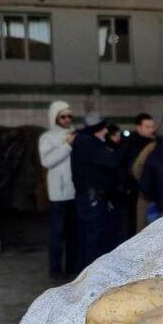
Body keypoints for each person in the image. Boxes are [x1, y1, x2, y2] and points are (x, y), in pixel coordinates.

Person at [70, 112, 121, 268]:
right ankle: (92, 273)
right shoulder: (89, 144)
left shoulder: (84, 142)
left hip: (88, 197)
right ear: (96, 129)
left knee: (88, 236)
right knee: (94, 238)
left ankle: (85, 271)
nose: (106, 131)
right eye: (103, 128)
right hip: (93, 198)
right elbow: (113, 161)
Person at [38, 100, 77, 280]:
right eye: (63, 117)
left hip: (75, 191)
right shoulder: (47, 138)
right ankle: (55, 270)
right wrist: (67, 146)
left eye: (69, 116)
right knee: (57, 234)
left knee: (73, 234)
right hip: (58, 194)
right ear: (55, 118)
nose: (67, 119)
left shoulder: (74, 134)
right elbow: (46, 161)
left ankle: (72, 268)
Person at [117, 112, 155, 238]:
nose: (151, 129)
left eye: (152, 126)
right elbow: (121, 165)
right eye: (147, 127)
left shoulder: (154, 142)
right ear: (138, 127)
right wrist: (127, 186)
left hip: (147, 189)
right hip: (133, 190)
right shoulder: (129, 143)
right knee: (134, 223)